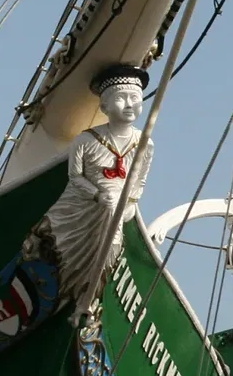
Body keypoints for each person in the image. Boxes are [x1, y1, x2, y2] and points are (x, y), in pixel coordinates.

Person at [40, 63, 154, 310]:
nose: (129, 104)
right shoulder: (85, 140)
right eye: (121, 98)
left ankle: (92, 291)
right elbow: (75, 177)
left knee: (114, 216)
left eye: (135, 98)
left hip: (117, 208)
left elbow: (140, 181)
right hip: (87, 204)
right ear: (104, 106)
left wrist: (130, 203)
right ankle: (71, 286)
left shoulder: (144, 143)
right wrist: (97, 195)